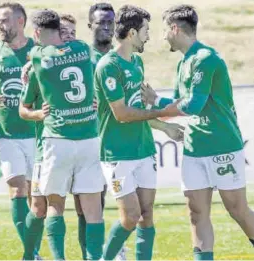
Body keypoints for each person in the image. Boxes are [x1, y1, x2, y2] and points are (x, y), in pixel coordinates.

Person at [141, 4, 254, 259]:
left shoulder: (206, 58)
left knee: (237, 209)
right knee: (196, 212)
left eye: (164, 31)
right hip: (194, 149)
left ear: (174, 28)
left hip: (222, 145)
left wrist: (157, 102)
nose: (162, 37)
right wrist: (159, 105)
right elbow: (179, 105)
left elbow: (193, 105)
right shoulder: (183, 63)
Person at [94, 5, 184, 260]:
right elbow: (122, 114)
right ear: (132, 32)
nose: (148, 36)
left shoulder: (137, 62)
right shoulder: (108, 66)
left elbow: (140, 110)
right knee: (130, 217)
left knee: (146, 216)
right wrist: (161, 115)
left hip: (144, 150)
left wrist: (165, 127)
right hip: (117, 154)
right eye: (146, 30)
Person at [25, 9, 107, 260]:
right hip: (88, 140)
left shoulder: (38, 55)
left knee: (55, 206)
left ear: (37, 33)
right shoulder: (83, 50)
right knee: (93, 209)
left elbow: (35, 56)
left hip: (57, 140)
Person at [0, 3, 42, 259]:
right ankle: (31, 254)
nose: (0, 26)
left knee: (36, 200)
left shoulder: (38, 51)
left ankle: (32, 251)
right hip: (6, 134)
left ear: (21, 21)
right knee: (17, 190)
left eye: (4, 20)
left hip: (37, 133)